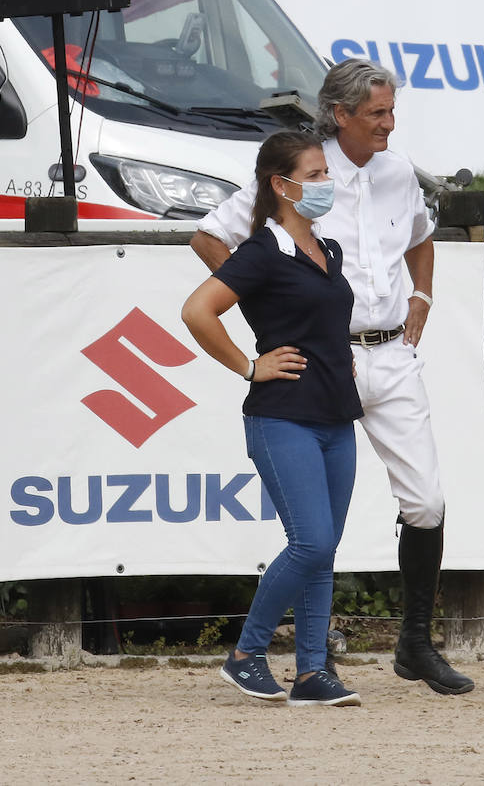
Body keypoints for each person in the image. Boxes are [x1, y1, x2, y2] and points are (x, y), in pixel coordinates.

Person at [192, 59, 474, 696]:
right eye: (377, 112)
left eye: (391, 110)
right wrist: (272, 301)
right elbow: (210, 236)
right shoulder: (304, 168)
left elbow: (422, 237)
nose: (389, 123)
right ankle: (283, 656)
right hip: (322, 355)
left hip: (389, 351)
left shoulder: (400, 172)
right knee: (316, 539)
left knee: (425, 501)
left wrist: (422, 298)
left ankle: (413, 644)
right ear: (339, 114)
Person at [183, 130, 364, 707]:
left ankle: (312, 672)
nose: (325, 184)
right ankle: (246, 653)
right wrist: (248, 366)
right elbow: (197, 310)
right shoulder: (262, 250)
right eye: (313, 176)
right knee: (310, 542)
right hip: (283, 416)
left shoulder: (327, 250)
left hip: (336, 417)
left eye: (324, 174)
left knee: (324, 548)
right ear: (280, 185)